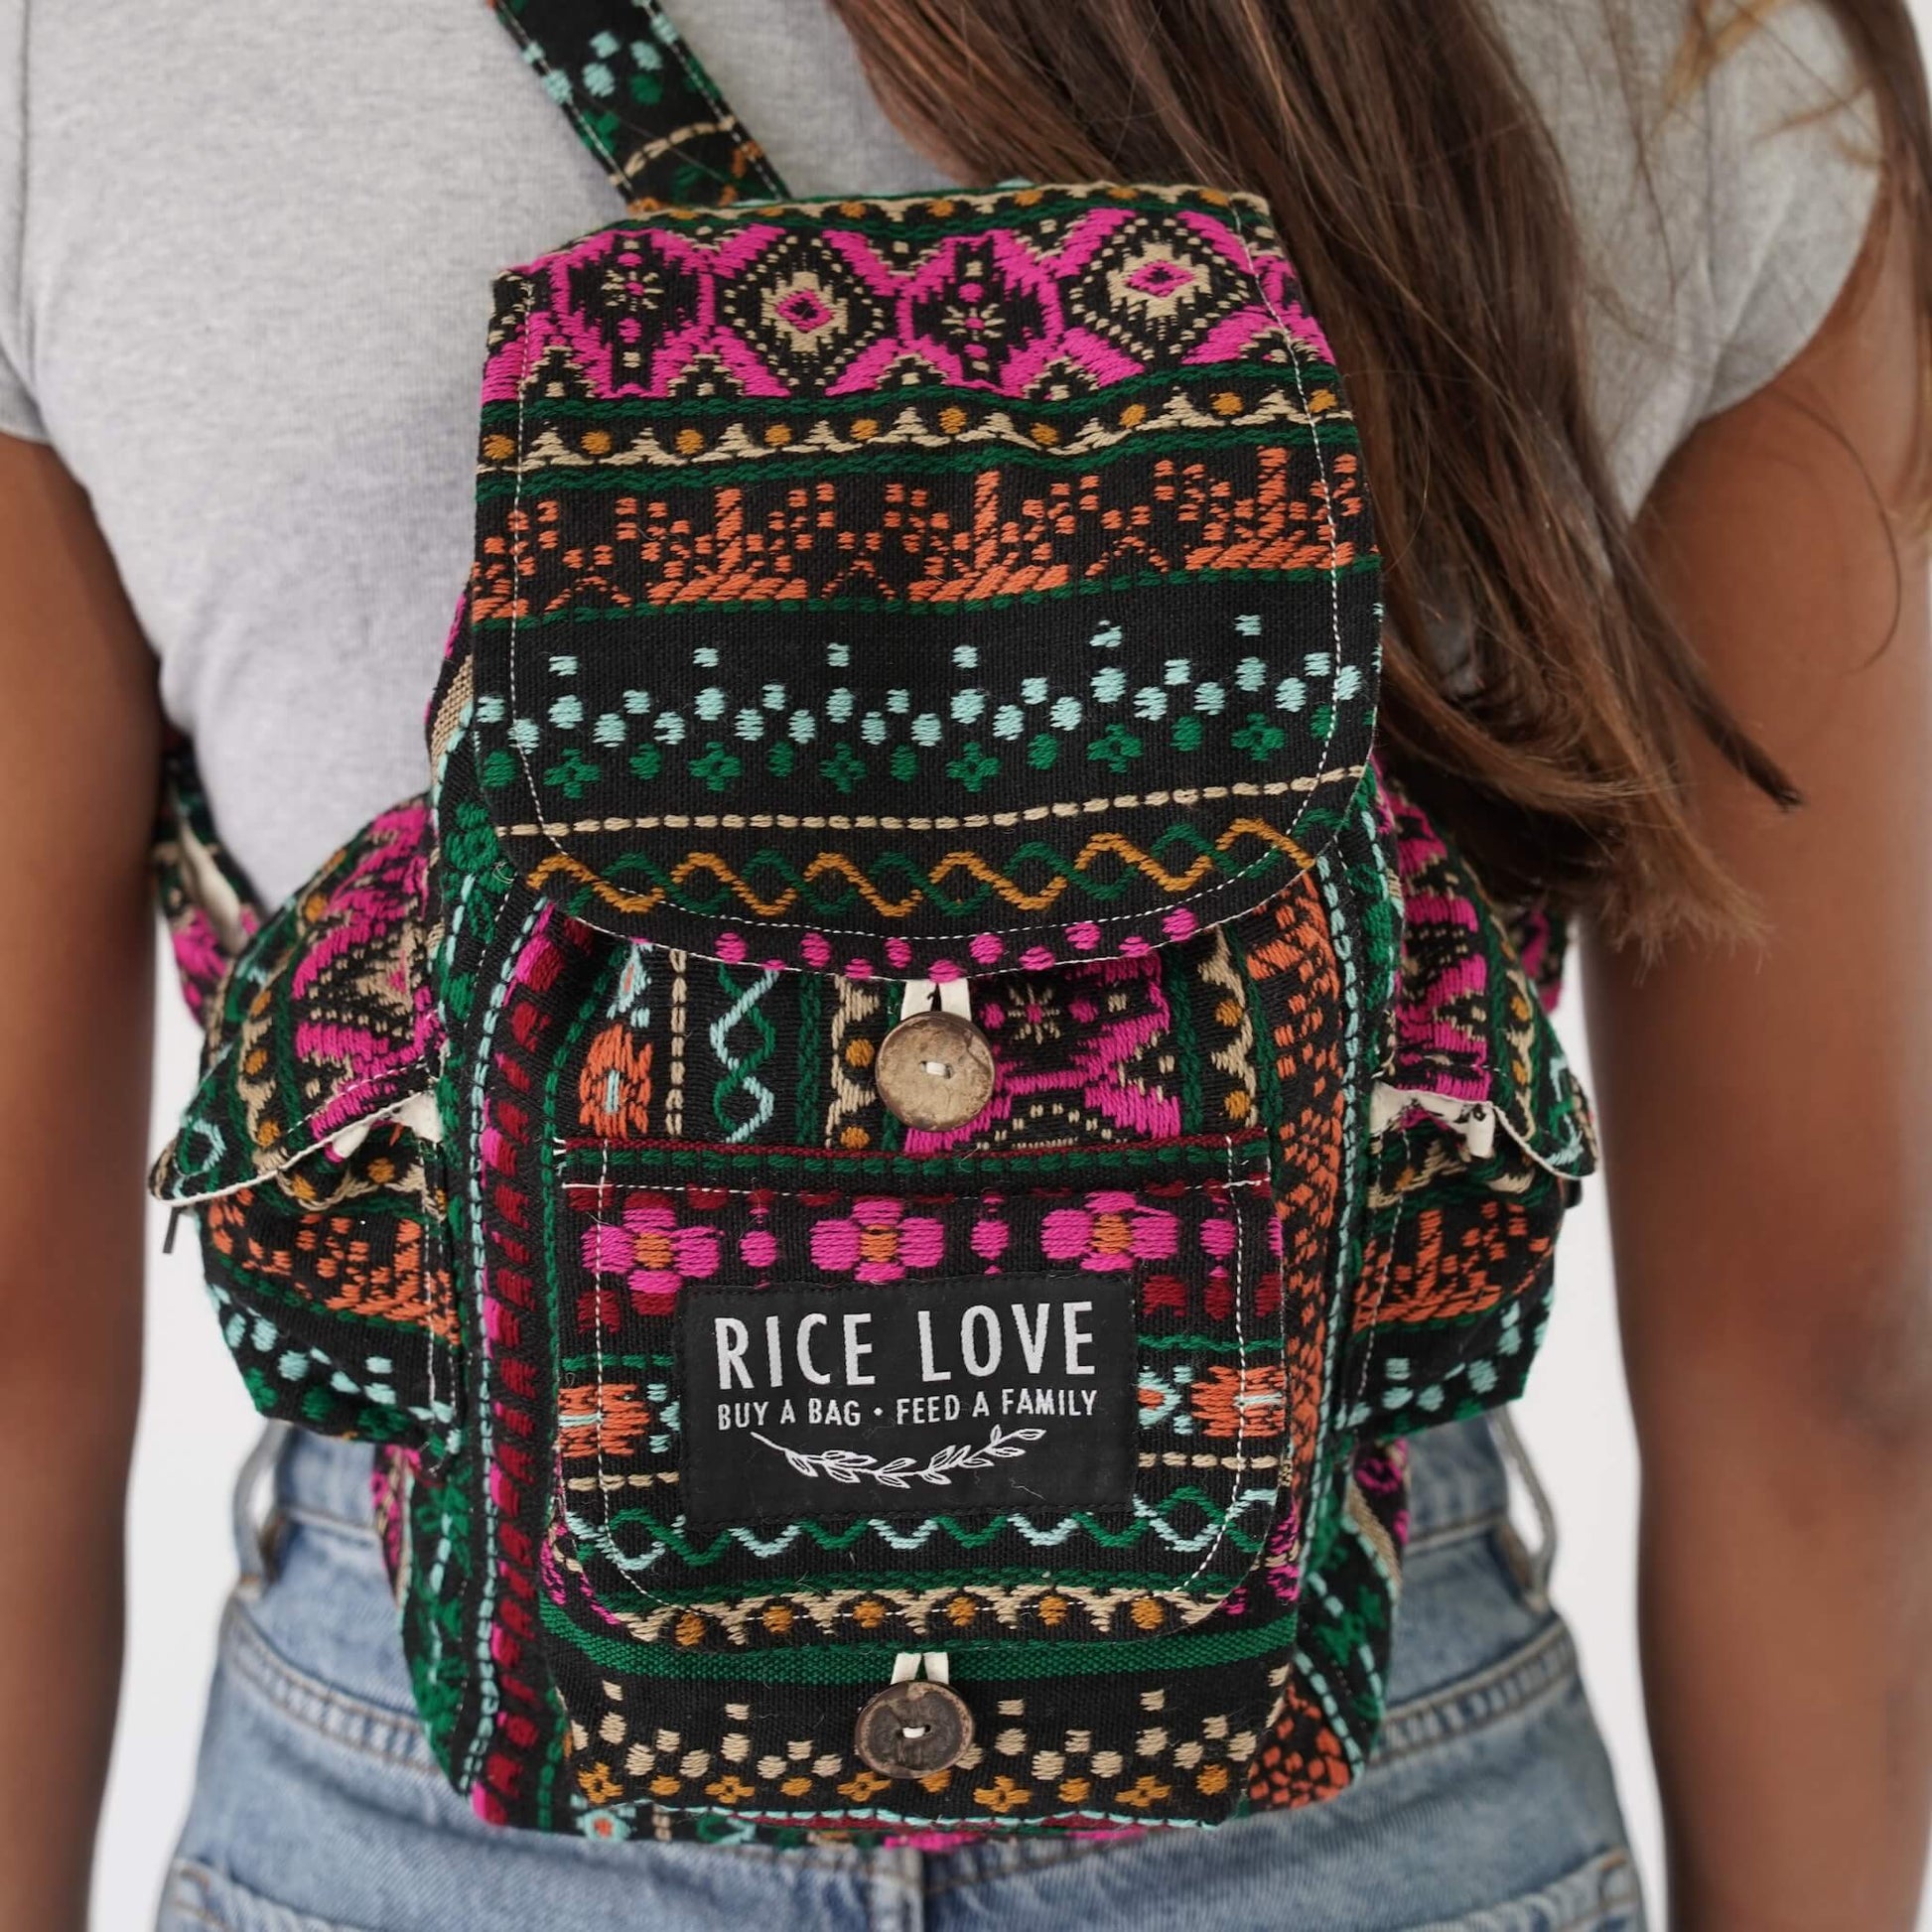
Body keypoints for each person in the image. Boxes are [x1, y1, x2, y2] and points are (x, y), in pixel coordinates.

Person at [1, 0, 1927, 1926]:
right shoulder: (1714, 44)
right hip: (1330, 1734)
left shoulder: (88, 51)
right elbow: (1835, 1357)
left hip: (460, 1751)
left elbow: (12, 1342)